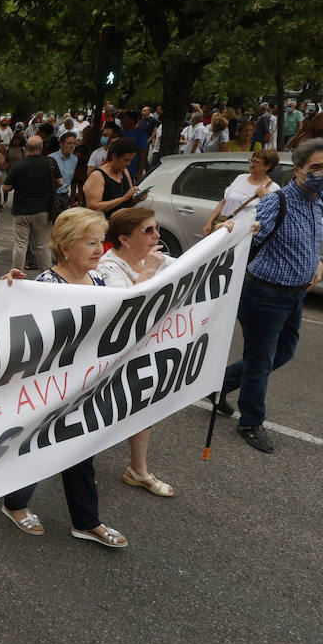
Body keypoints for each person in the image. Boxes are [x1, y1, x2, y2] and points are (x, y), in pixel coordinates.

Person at [0, 207, 128, 548]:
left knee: (80, 450)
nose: (100, 249)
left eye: (101, 241)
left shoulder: (98, 280)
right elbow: (28, 340)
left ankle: (87, 521)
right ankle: (14, 502)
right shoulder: (46, 285)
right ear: (66, 246)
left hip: (85, 388)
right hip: (48, 389)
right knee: (36, 448)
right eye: (90, 242)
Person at [215, 139, 323, 454]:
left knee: (283, 353)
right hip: (264, 294)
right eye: (316, 168)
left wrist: (316, 262)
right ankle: (251, 422)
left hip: (295, 295)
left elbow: (310, 237)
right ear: (298, 170)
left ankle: (219, 386)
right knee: (260, 359)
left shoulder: (318, 199)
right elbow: (246, 244)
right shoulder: (276, 202)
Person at [96, 207, 176, 497]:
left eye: (156, 228)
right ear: (125, 239)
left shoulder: (151, 257)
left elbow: (195, 265)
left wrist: (229, 236)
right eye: (148, 231)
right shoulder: (108, 266)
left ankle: (138, 471)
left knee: (143, 405)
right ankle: (76, 466)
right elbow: (126, 306)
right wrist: (150, 271)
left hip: (142, 348)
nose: (157, 235)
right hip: (109, 354)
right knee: (100, 408)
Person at [3, 135, 60, 271]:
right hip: (43, 210)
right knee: (42, 246)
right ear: (41, 148)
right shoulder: (49, 163)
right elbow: (60, 182)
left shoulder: (18, 165)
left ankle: (16, 275)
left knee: (20, 245)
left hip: (21, 211)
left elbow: (5, 187)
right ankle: (46, 277)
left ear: (26, 148)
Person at [202, 150, 282, 236]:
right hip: (222, 226)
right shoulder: (240, 178)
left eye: (256, 162)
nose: (251, 165)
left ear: (267, 166)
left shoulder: (273, 189)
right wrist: (209, 222)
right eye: (251, 161)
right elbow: (224, 201)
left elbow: (272, 217)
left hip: (242, 234)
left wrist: (267, 197)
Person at [81, 137, 141, 218]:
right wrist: (122, 199)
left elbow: (127, 201)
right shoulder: (97, 176)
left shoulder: (124, 171)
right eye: (126, 160)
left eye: (130, 160)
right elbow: (93, 208)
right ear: (114, 156)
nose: (128, 164)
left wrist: (137, 198)